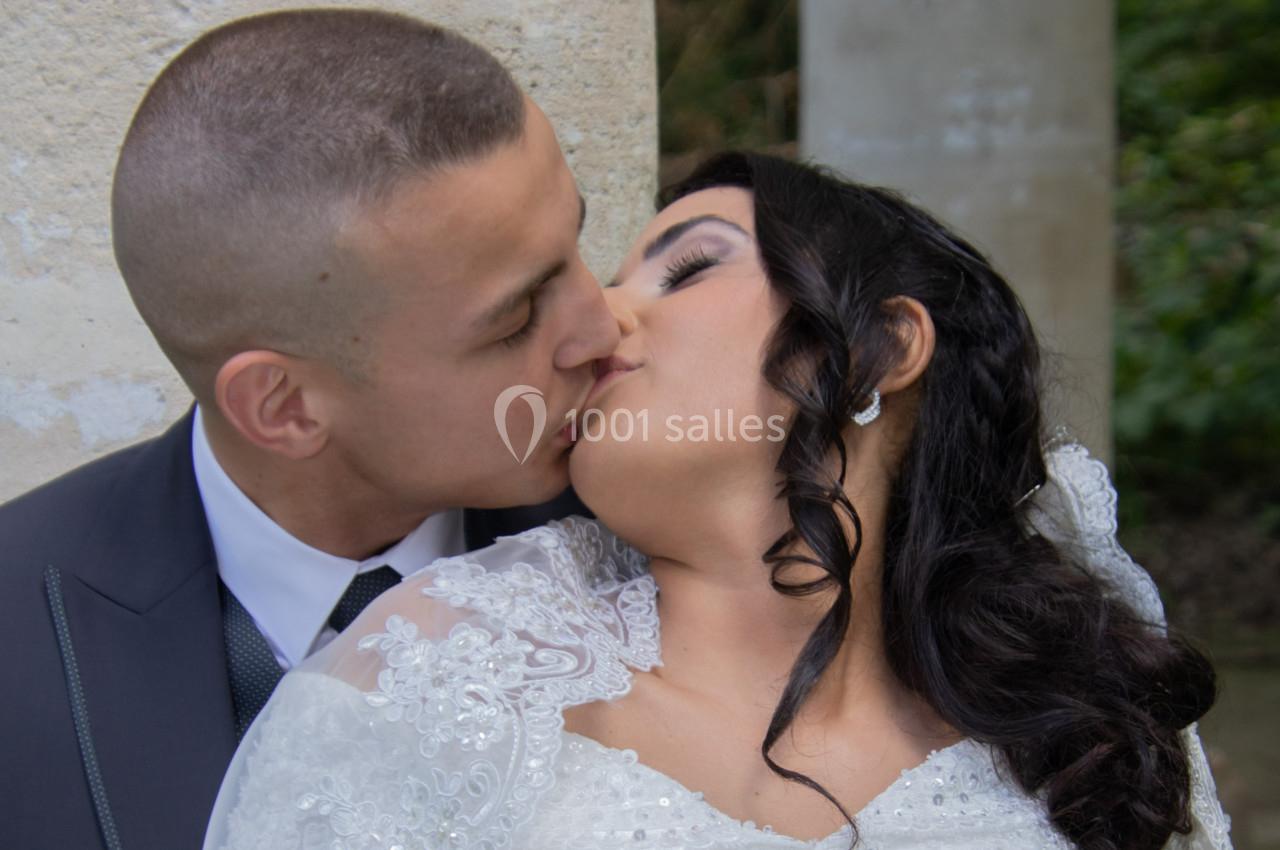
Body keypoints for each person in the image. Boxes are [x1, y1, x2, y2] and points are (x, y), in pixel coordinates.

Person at [204, 152, 1233, 849]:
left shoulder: (1089, 719)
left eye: (687, 267)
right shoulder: (437, 671)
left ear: (882, 345)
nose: (602, 319)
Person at [0, 10, 619, 850]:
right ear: (283, 407)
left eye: (576, 245)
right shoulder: (18, 629)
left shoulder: (651, 550)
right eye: (514, 322)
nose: (601, 330)